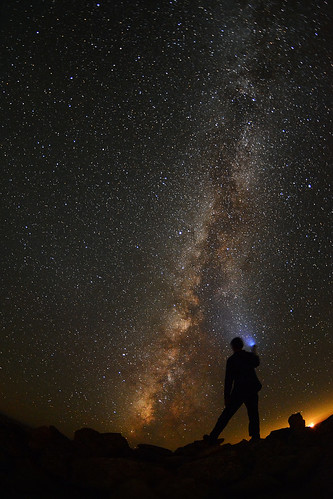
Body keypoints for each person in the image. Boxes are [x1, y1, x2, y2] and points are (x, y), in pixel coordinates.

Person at [204, 337, 262, 444]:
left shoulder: (231, 360)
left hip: (239, 391)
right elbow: (256, 363)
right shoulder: (248, 356)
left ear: (233, 347)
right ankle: (255, 437)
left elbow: (228, 380)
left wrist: (227, 396)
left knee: (226, 415)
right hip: (251, 388)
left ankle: (213, 437)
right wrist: (254, 352)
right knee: (253, 414)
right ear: (241, 345)